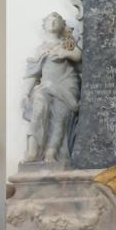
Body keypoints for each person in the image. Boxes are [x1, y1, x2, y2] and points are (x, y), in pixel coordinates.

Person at [22, 12, 81, 163]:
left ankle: (51, 152)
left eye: (57, 20)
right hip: (45, 87)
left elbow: (79, 56)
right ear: (44, 26)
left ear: (62, 26)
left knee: (60, 117)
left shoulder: (67, 43)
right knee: (38, 107)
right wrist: (25, 93)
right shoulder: (40, 49)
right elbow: (33, 74)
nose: (53, 22)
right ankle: (32, 150)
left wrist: (65, 53)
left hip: (65, 87)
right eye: (50, 20)